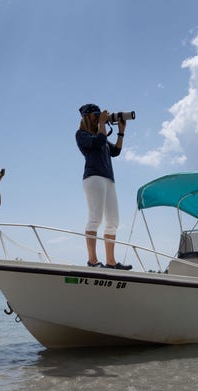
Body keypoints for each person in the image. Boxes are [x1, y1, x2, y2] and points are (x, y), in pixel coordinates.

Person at [76, 103, 132, 270]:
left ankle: (111, 262)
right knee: (95, 219)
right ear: (87, 117)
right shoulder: (81, 134)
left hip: (108, 179)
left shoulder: (101, 135)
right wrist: (102, 124)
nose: (99, 117)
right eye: (96, 115)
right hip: (94, 178)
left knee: (113, 221)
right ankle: (92, 261)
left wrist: (121, 132)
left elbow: (115, 151)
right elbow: (99, 141)